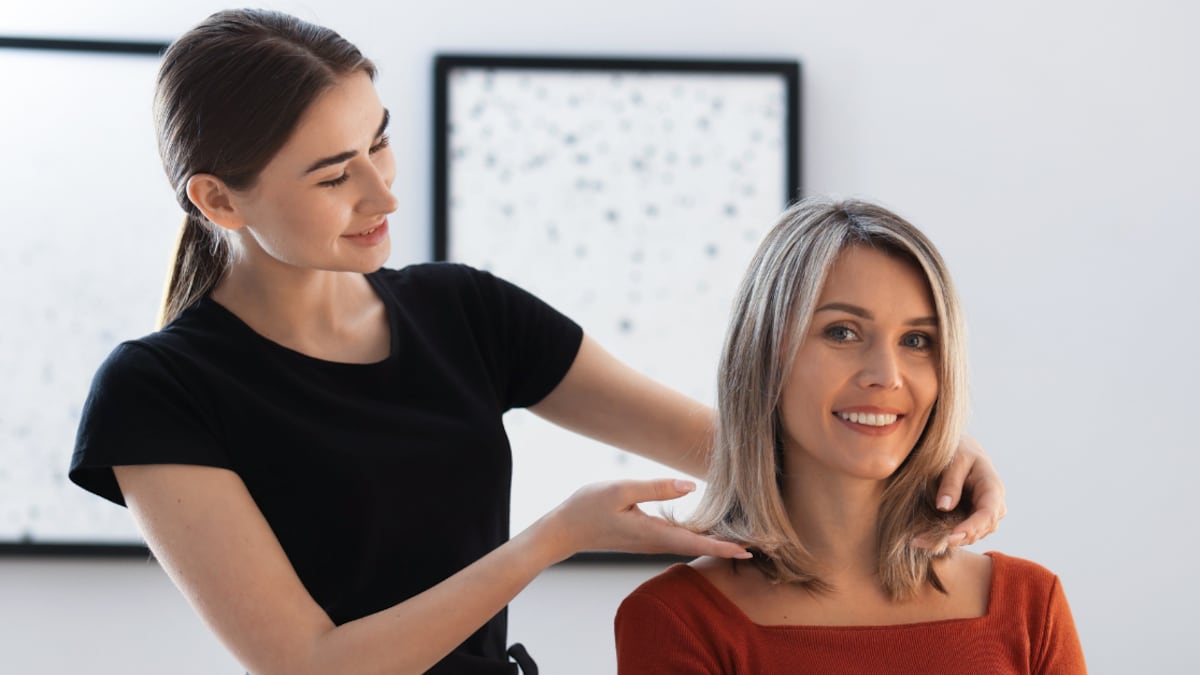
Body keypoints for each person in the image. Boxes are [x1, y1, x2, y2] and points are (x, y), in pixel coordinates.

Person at [67, 10, 1007, 675]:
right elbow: (311, 664)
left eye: (379, 142)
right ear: (218, 199)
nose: (383, 193)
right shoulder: (157, 393)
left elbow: (737, 447)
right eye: (333, 174)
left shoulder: (464, 313)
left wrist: (926, 456)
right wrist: (554, 538)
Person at [614, 198, 1085, 674]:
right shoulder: (677, 620)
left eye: (916, 341)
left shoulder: (1031, 606)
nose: (887, 376)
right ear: (764, 355)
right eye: (842, 332)